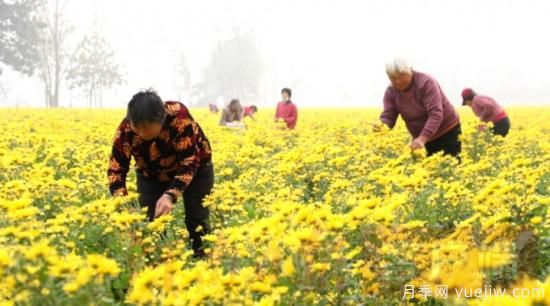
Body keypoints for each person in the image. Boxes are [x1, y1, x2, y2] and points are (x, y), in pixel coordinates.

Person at [108, 90, 214, 258]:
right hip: (151, 174)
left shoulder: (179, 117)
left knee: (197, 220)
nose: (141, 134)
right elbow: (116, 171)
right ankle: (158, 266)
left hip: (197, 169)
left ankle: (204, 262)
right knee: (151, 224)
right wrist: (125, 206)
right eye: (138, 128)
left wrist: (170, 195)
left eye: (147, 129)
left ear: (161, 119)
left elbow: (189, 162)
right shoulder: (125, 131)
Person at [377, 58, 461, 158]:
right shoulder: (391, 91)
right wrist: (381, 126)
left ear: (409, 71)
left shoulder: (426, 82)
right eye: (393, 78)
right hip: (421, 137)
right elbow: (389, 116)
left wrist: (422, 138)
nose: (397, 81)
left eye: (401, 77)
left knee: (450, 166)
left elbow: (435, 113)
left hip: (446, 130)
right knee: (426, 171)